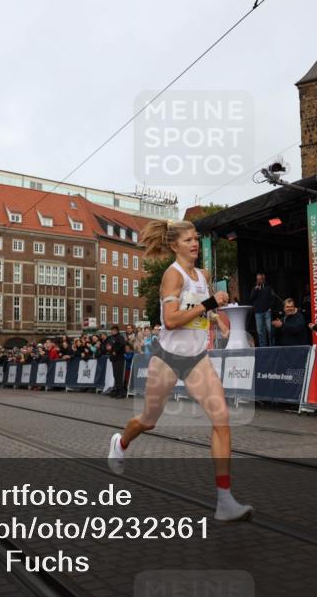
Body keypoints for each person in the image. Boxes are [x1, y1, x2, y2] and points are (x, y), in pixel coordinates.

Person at [108, 219, 250, 522]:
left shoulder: (203, 274)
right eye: (188, 240)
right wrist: (211, 302)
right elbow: (172, 320)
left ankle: (224, 499)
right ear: (174, 245)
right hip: (168, 358)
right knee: (148, 421)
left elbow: (199, 307)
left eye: (196, 238)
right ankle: (120, 443)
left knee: (222, 418)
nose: (195, 244)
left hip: (197, 358)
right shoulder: (171, 277)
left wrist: (216, 318)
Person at [249, 273, 279, 347]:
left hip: (267, 311)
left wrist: (270, 308)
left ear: (263, 279)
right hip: (258, 312)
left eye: (260, 279)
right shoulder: (254, 288)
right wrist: (256, 290)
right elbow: (251, 298)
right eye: (257, 279)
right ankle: (263, 347)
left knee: (269, 330)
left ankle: (272, 346)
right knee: (260, 331)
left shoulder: (268, 288)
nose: (258, 280)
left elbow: (273, 298)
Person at [105, 325, 127, 398]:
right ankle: (117, 390)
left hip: (119, 358)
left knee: (119, 376)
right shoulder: (111, 338)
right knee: (115, 376)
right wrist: (108, 348)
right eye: (111, 330)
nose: (112, 332)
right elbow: (107, 345)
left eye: (113, 330)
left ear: (117, 331)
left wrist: (115, 351)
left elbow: (122, 344)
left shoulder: (120, 337)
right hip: (114, 359)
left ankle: (121, 392)